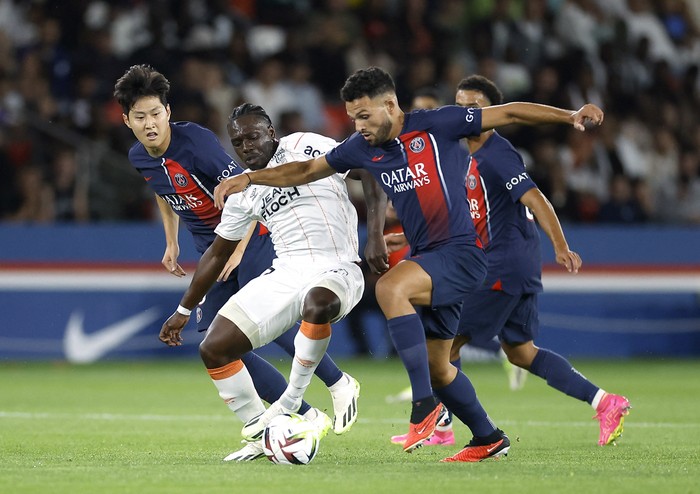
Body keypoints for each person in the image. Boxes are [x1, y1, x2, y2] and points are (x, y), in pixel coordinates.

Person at [212, 66, 604, 462]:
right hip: (429, 257)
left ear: (389, 104)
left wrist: (568, 116)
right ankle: (488, 437)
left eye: (364, 116)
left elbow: (511, 113)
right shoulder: (361, 147)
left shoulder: (440, 123)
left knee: (389, 287)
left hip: (461, 254)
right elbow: (307, 170)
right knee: (440, 368)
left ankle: (424, 408)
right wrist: (250, 180)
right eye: (352, 118)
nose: (358, 125)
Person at [114, 65, 379, 461]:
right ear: (127, 121)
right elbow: (163, 190)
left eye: (155, 114)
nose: (150, 123)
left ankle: (337, 383)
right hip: (216, 244)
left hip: (252, 237)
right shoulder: (140, 155)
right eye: (140, 117)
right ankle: (296, 419)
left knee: (272, 320)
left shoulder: (196, 143)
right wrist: (171, 241)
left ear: (167, 112)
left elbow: (245, 181)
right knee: (221, 341)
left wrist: (238, 248)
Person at [388, 75, 631, 448]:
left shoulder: (497, 154)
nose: (466, 111)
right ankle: (605, 402)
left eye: (475, 106)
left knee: (443, 348)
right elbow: (464, 212)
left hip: (501, 267)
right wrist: (408, 236)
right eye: (460, 103)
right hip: (510, 267)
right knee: (521, 353)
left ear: (490, 111)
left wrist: (560, 245)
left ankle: (443, 428)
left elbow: (536, 199)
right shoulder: (460, 152)